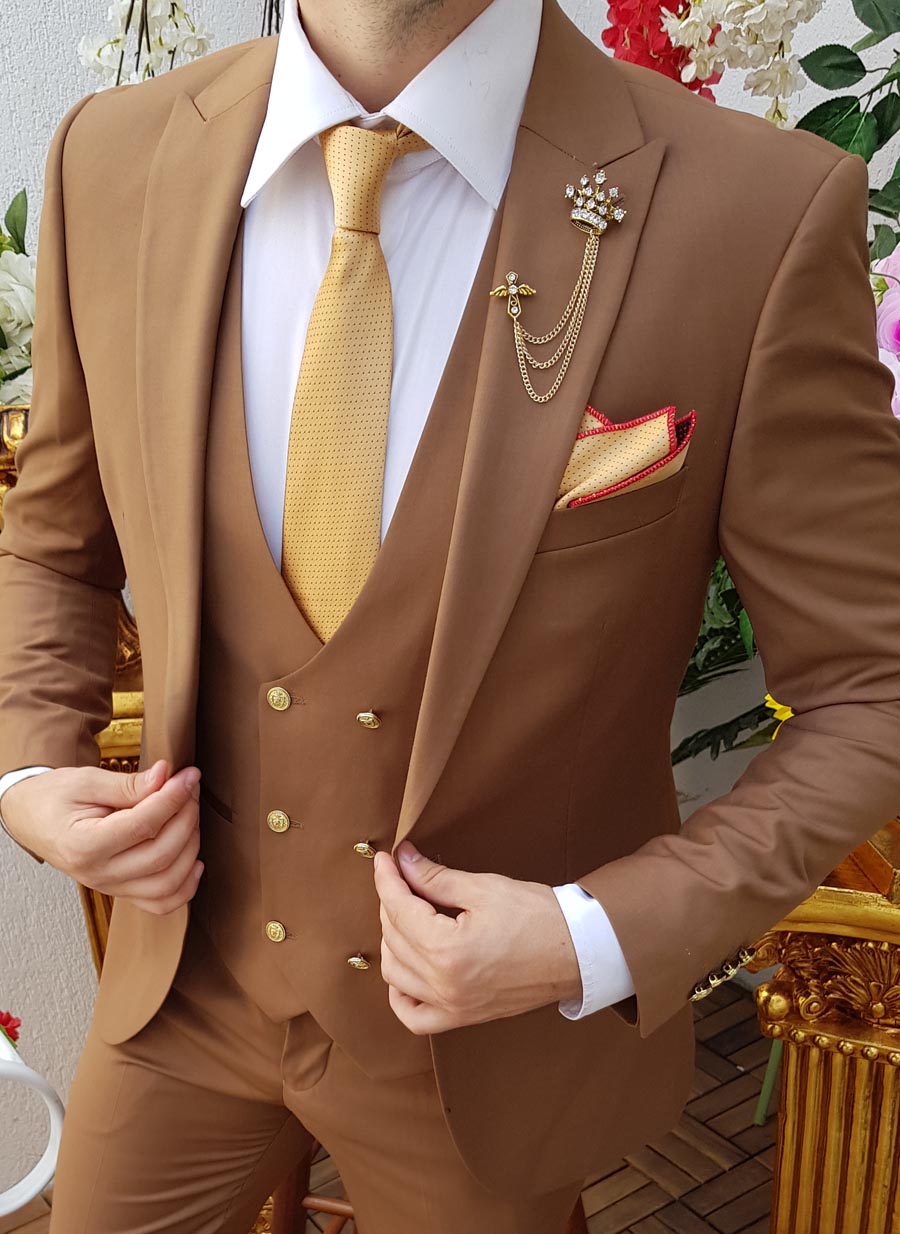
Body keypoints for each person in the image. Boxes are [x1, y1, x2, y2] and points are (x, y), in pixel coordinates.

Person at [2, 0, 900, 1229]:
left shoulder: (756, 211)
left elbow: (873, 687)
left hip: (484, 1045)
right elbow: (53, 543)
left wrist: (594, 935)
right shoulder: (111, 154)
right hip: (183, 991)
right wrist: (29, 769)